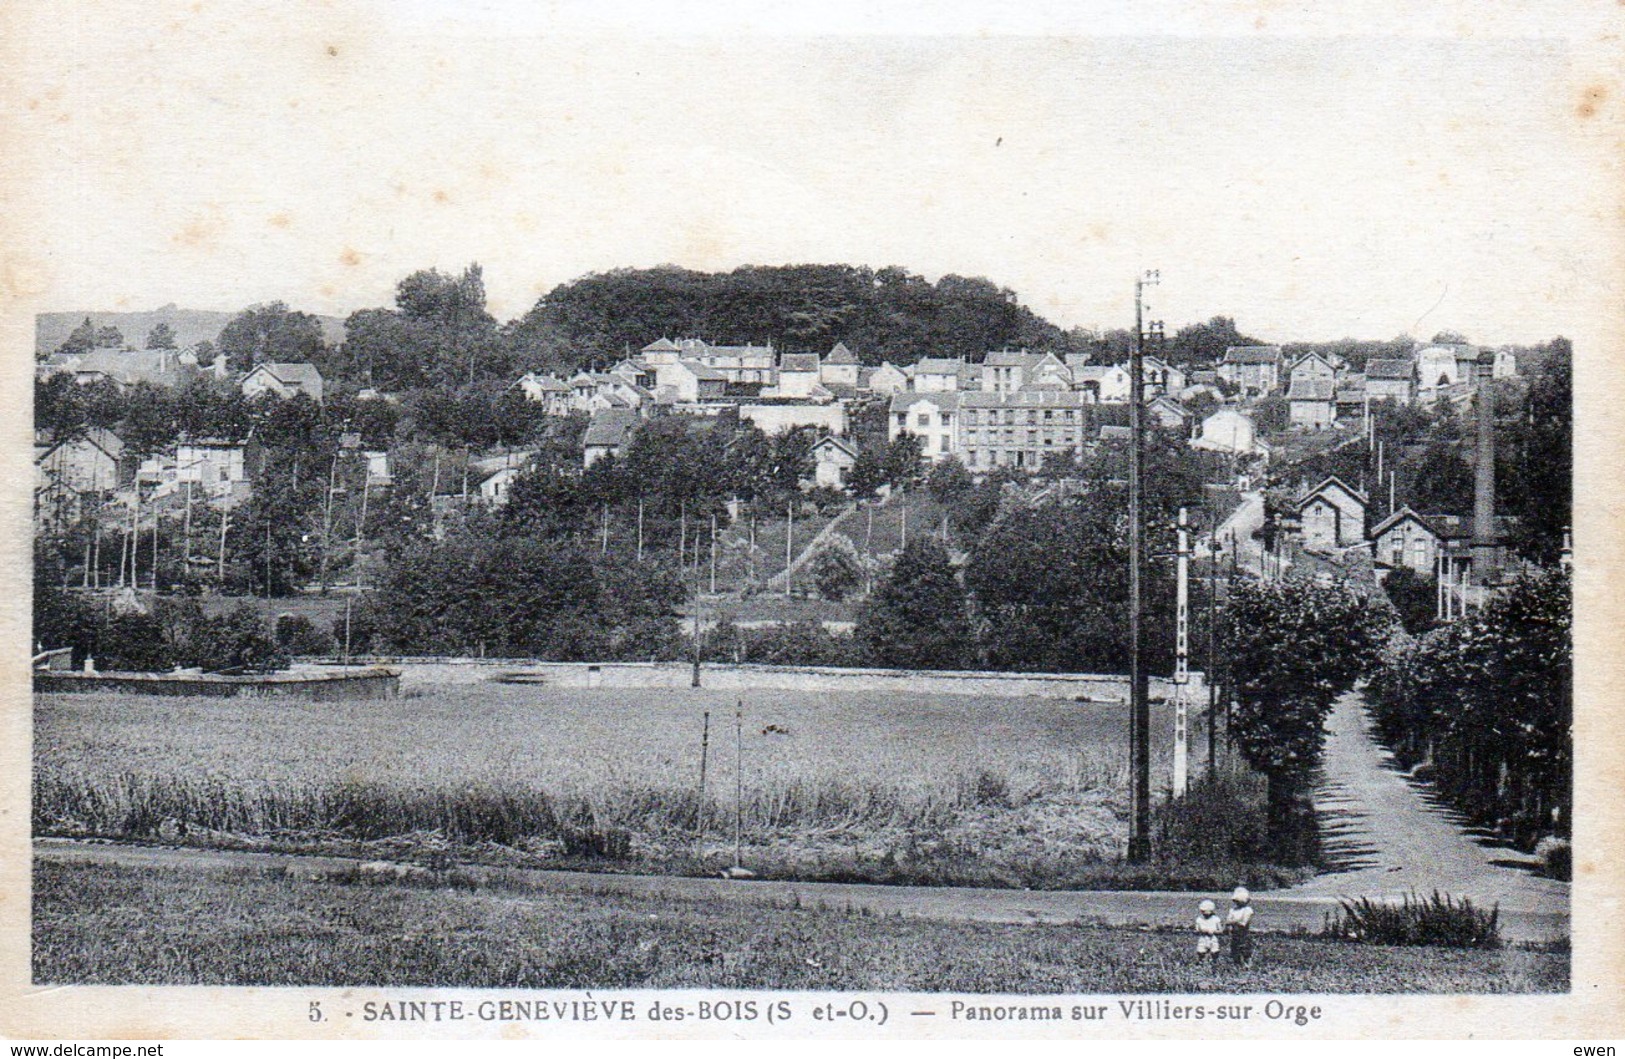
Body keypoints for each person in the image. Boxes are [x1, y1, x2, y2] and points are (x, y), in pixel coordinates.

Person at [1226, 886, 1254, 966]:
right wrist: (1234, 922)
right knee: (1235, 950)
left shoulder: (1247, 910)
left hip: (1243, 934)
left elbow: (1243, 923)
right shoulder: (1233, 910)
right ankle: (1237, 964)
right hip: (1234, 933)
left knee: (1245, 950)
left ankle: (1246, 964)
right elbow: (1228, 921)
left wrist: (1233, 921)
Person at [1194, 899, 1223, 967]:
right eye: (1202, 911)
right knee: (1201, 951)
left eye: (1205, 911)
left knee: (1214, 951)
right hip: (1203, 938)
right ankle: (1201, 963)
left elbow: (1220, 931)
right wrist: (1202, 931)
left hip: (1213, 938)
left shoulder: (1216, 919)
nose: (1203, 912)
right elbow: (1196, 930)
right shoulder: (1199, 919)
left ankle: (1214, 963)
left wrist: (1213, 931)